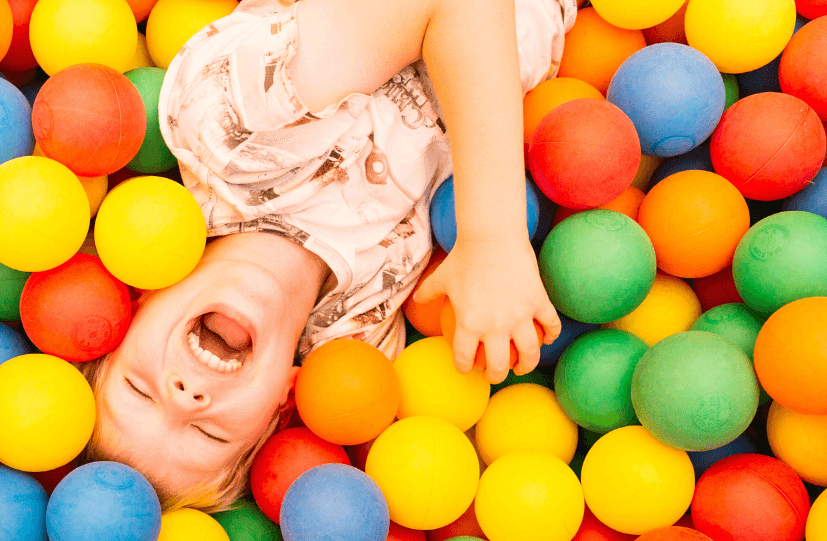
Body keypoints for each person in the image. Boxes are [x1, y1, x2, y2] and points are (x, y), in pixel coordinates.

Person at [84, 0, 575, 510]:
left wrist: (492, 237)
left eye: (139, 390)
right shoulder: (360, 341)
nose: (184, 396)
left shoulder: (223, 134)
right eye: (209, 434)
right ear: (284, 402)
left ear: (136, 302)